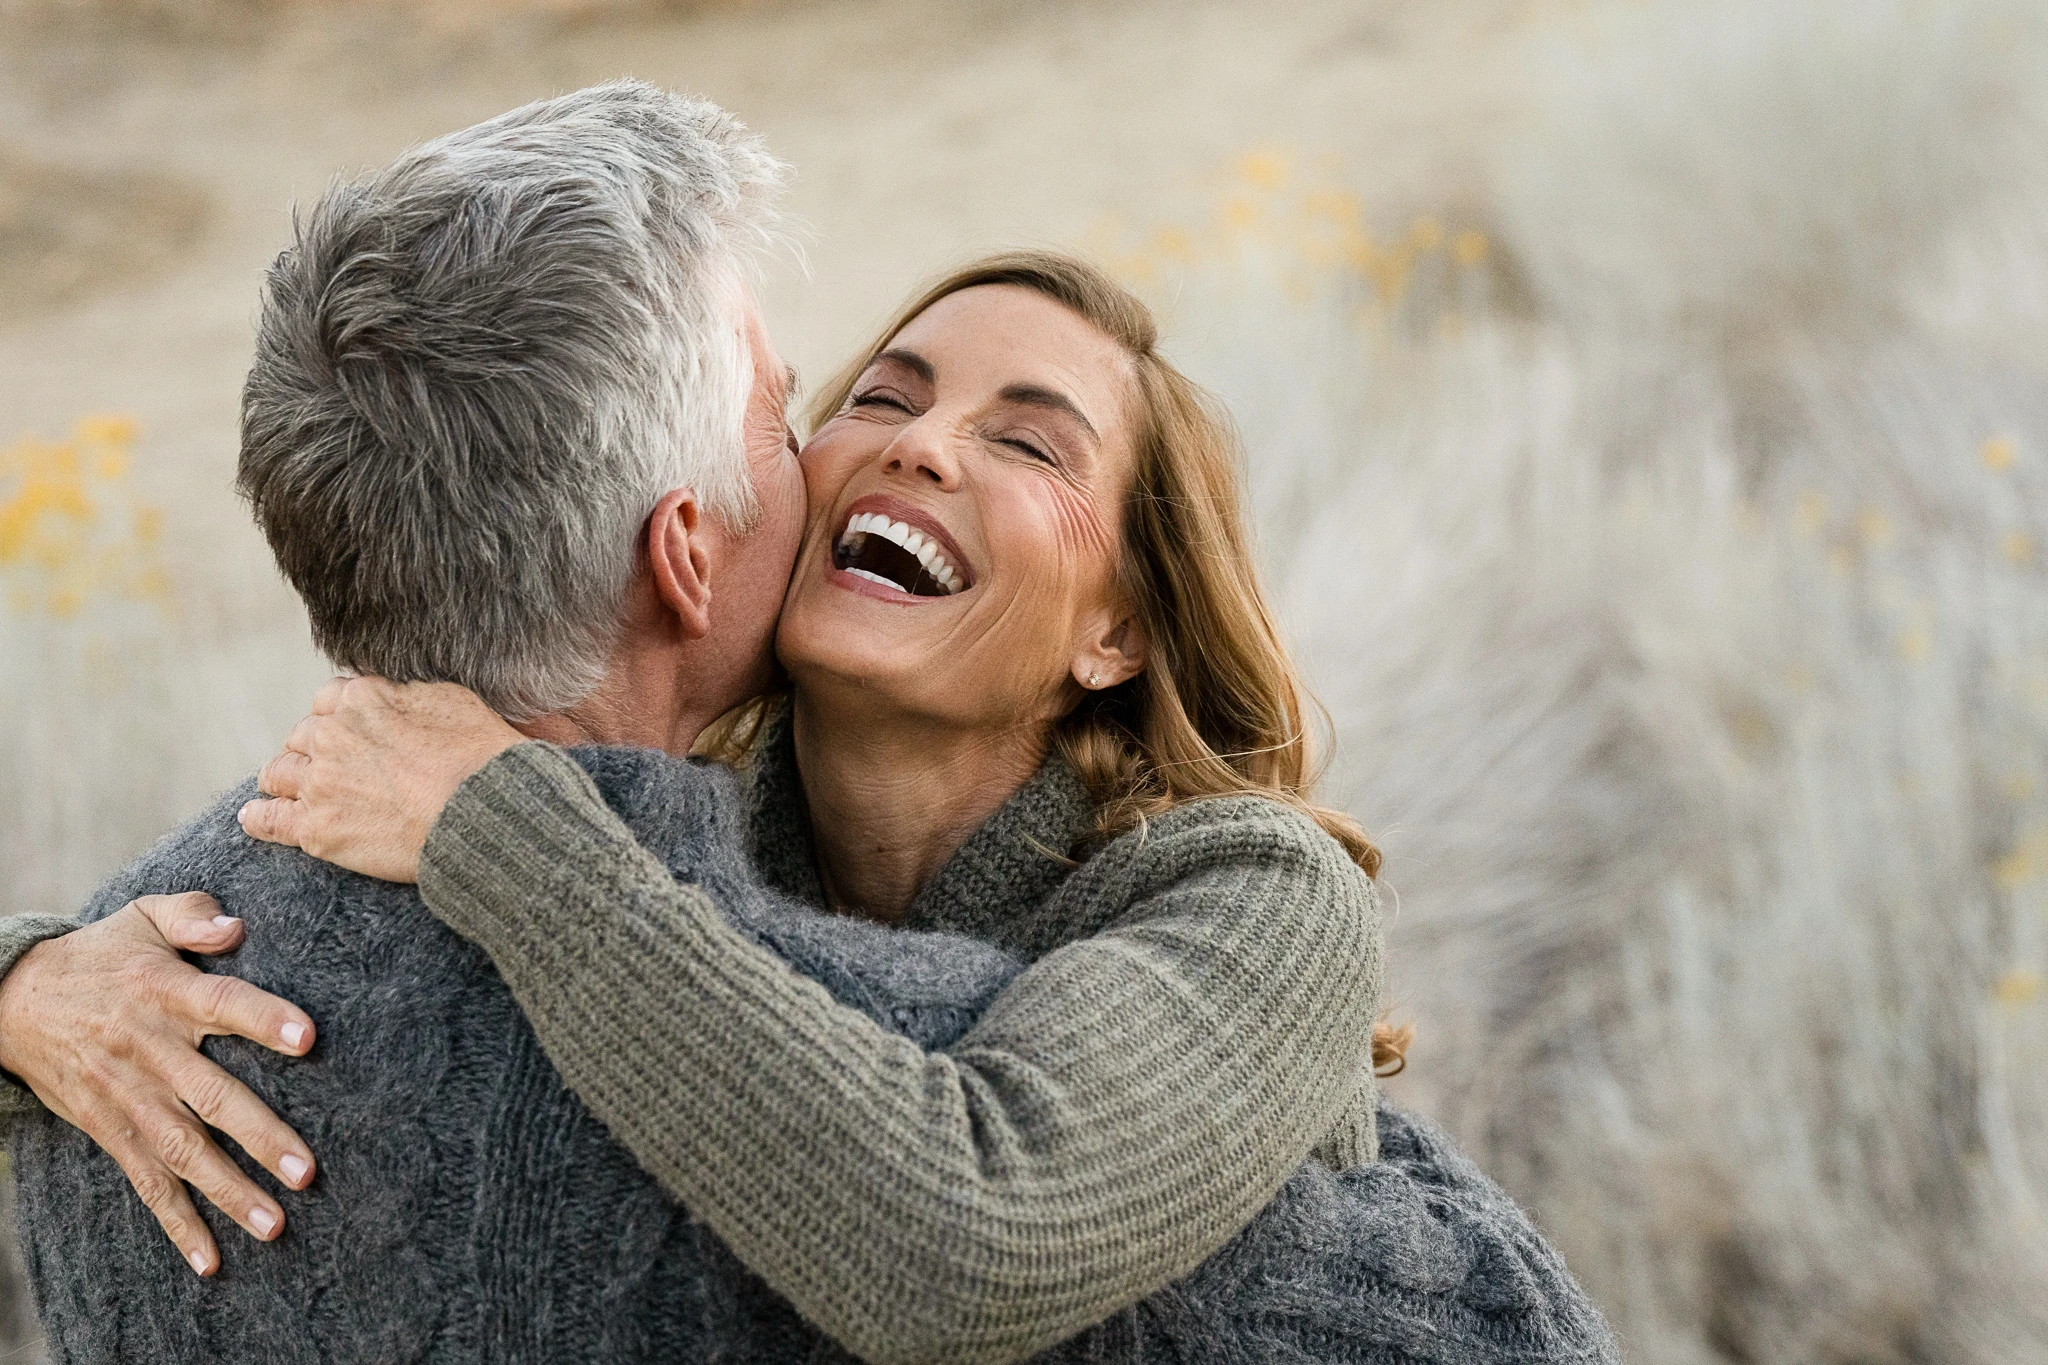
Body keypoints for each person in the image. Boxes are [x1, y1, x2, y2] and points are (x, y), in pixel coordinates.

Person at [0, 83, 1618, 1364]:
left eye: (1032, 445)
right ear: (698, 538)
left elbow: (973, 1231)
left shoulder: (1251, 899)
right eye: (875, 399)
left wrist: (505, 832)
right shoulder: (678, 835)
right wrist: (30, 981)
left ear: (1122, 628)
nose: (921, 449)